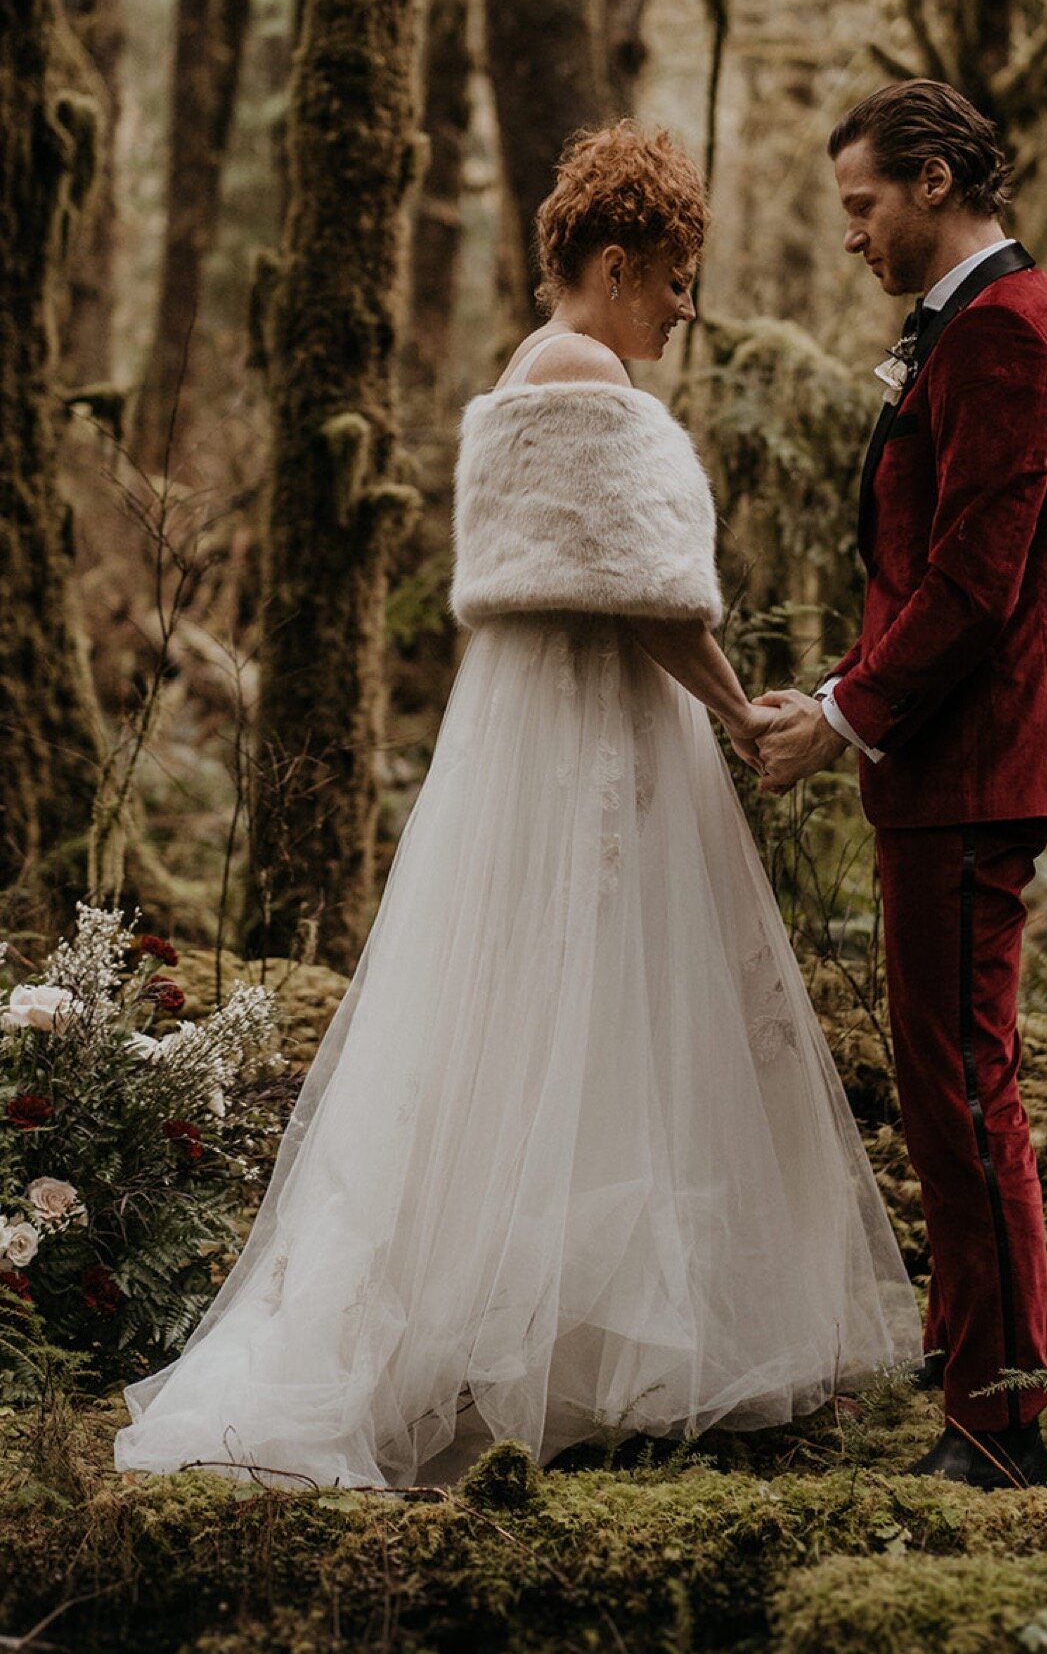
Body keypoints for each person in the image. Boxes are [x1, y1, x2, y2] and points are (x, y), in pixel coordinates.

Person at [115, 122, 920, 1490]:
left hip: (565, 721)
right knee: (596, 1012)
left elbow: (618, 577)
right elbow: (650, 593)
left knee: (571, 1023)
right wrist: (746, 715)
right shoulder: (581, 376)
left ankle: (580, 1341)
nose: (682, 307)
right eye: (672, 278)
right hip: (592, 740)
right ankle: (559, 1348)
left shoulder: (533, 374)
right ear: (616, 262)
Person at [754, 81, 1047, 1491]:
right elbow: (914, 570)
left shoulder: (1011, 332)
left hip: (974, 767)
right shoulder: (961, 328)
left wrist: (842, 717)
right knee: (944, 1075)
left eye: (864, 205)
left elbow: (975, 585)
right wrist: (838, 691)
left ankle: (1004, 1417)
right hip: (943, 762)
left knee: (964, 1089)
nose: (853, 236)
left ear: (942, 178)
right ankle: (969, 1343)